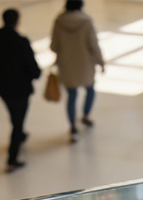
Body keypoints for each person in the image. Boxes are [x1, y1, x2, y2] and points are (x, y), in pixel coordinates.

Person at [0, 9, 41, 172]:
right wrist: (36, 75)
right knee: (18, 120)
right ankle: (12, 158)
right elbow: (32, 67)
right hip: (21, 88)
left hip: (3, 89)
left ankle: (20, 134)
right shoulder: (21, 41)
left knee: (15, 114)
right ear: (17, 21)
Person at [50, 0, 104, 143]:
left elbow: (53, 46)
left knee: (72, 95)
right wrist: (101, 61)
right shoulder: (86, 21)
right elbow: (93, 44)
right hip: (85, 64)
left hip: (66, 65)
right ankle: (86, 115)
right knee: (90, 90)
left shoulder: (59, 21)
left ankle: (73, 126)